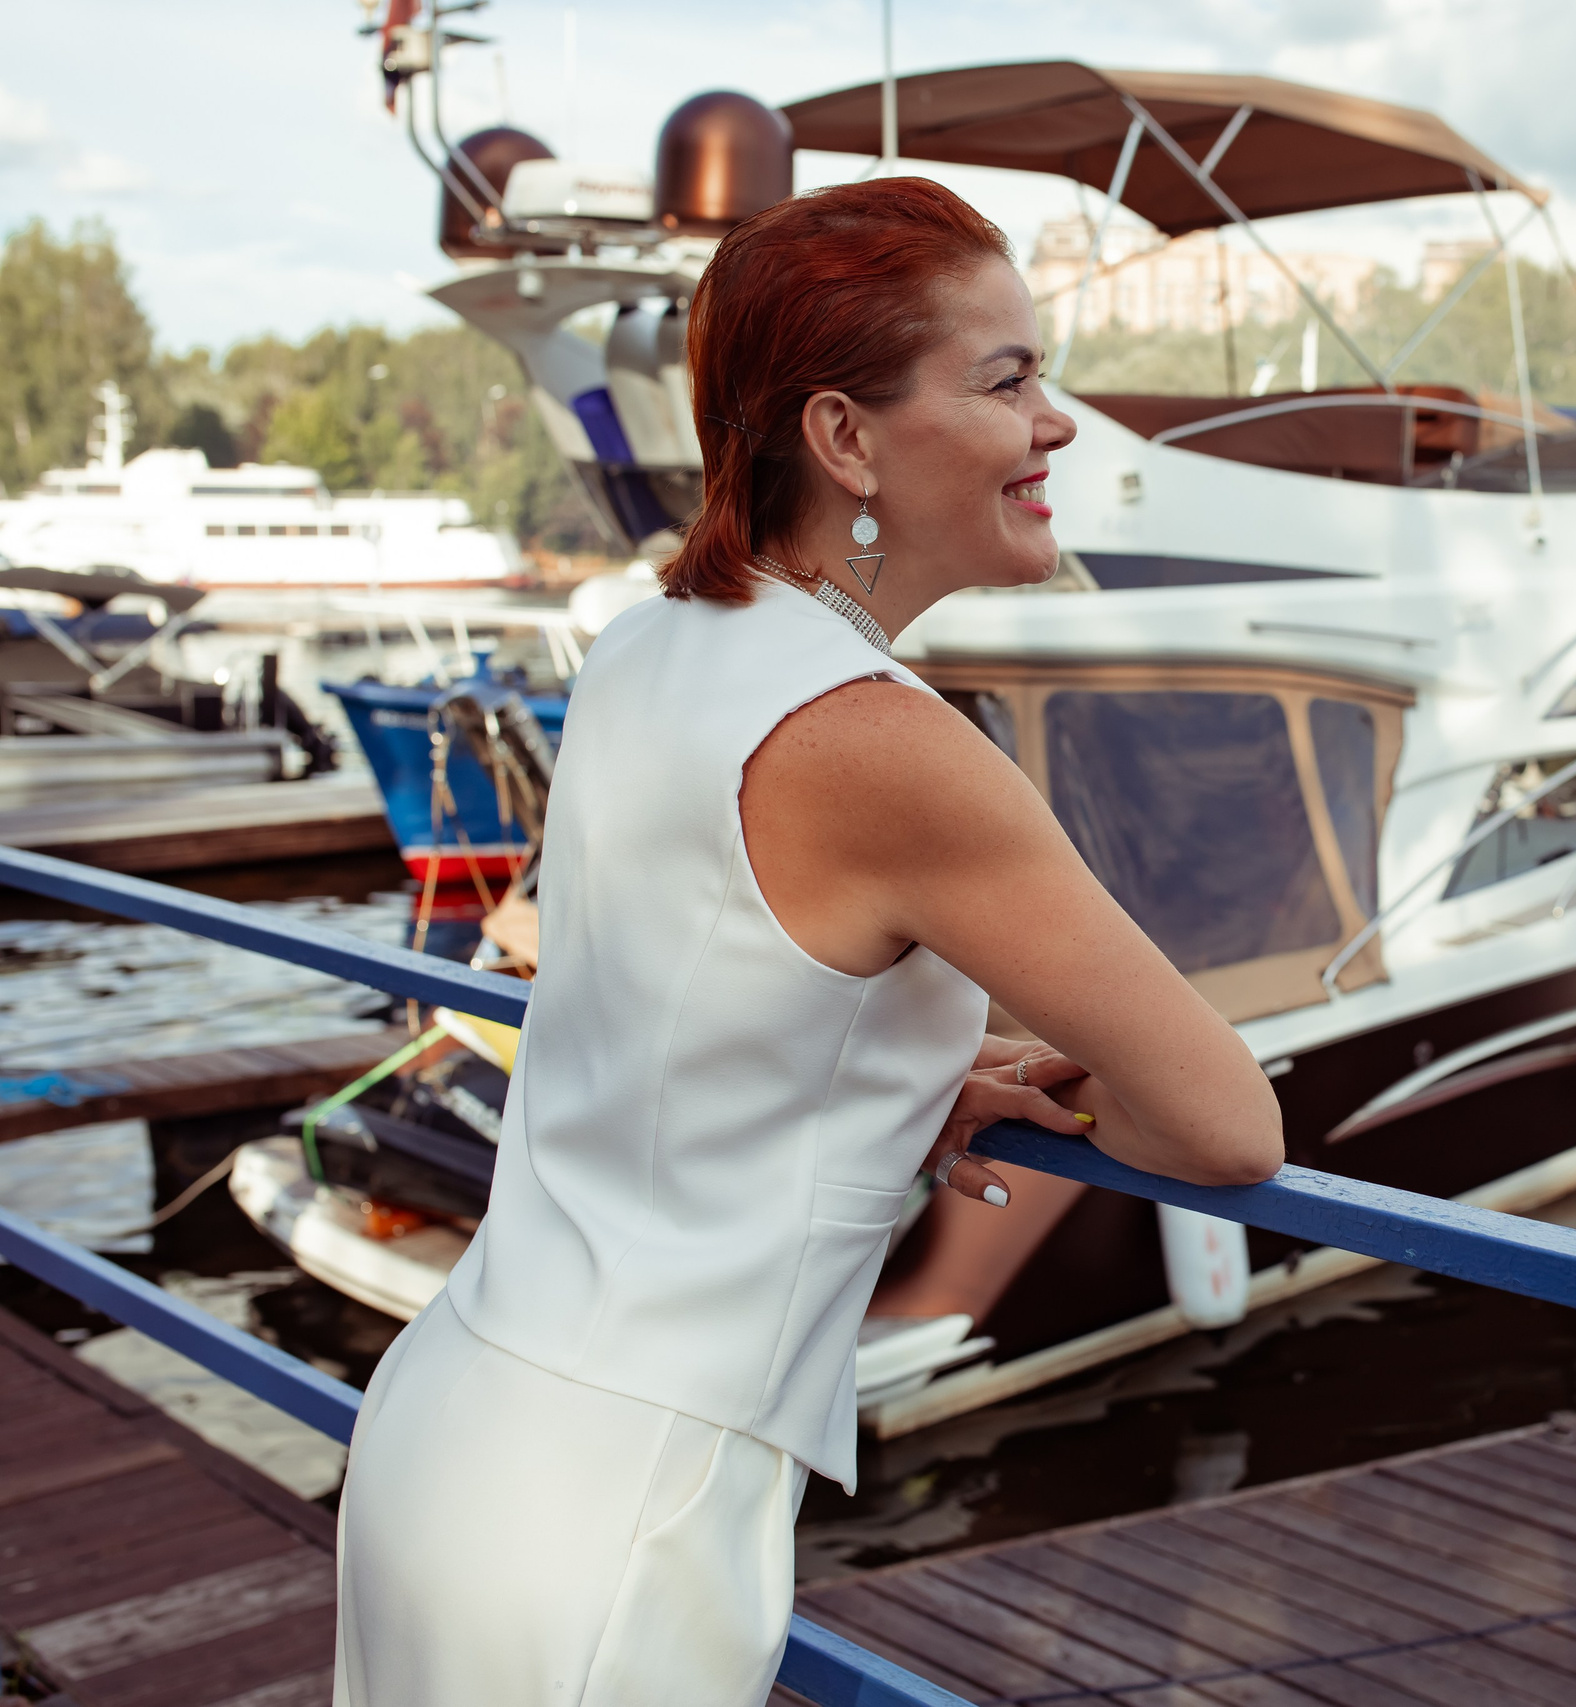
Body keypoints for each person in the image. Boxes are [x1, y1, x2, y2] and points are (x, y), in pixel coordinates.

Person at [333, 178, 1285, 1707]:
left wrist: (890, 1078)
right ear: (844, 437)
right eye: (1008, 380)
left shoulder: (655, 641)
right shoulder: (881, 743)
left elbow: (684, 990)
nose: (1060, 425)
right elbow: (1227, 1126)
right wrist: (993, 1083)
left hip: (467, 1423)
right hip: (619, 1510)